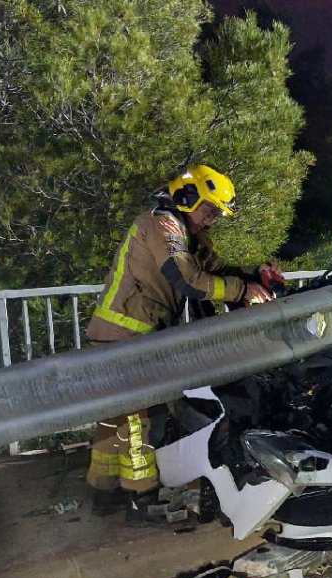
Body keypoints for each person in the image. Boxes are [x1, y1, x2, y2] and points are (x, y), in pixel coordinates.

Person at [86, 165, 277, 524]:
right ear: (188, 197)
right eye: (209, 210)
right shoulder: (162, 225)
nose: (211, 219)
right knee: (135, 421)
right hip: (124, 336)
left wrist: (252, 276)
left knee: (114, 419)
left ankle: (101, 490)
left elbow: (214, 268)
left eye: (217, 214)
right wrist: (240, 291)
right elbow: (189, 279)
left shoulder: (186, 230)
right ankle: (139, 498)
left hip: (134, 336)